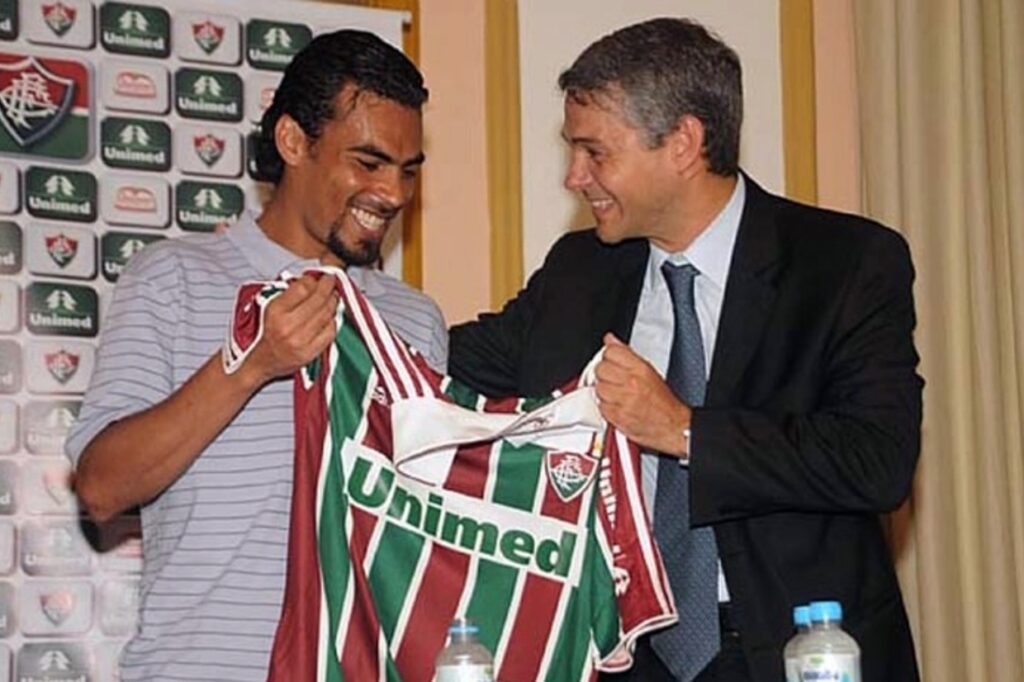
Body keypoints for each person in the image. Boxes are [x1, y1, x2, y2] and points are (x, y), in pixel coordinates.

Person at [449, 17, 922, 682]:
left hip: (798, 650)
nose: (574, 177)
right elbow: (449, 362)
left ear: (683, 143)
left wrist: (683, 429)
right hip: (620, 655)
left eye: (594, 152)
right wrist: (333, 314)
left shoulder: (844, 263)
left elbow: (878, 460)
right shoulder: (579, 272)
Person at [66, 30, 447, 682]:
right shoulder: (173, 279)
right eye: (369, 162)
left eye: (407, 170)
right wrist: (251, 364)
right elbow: (102, 488)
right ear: (293, 142)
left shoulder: (416, 320)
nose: (393, 192)